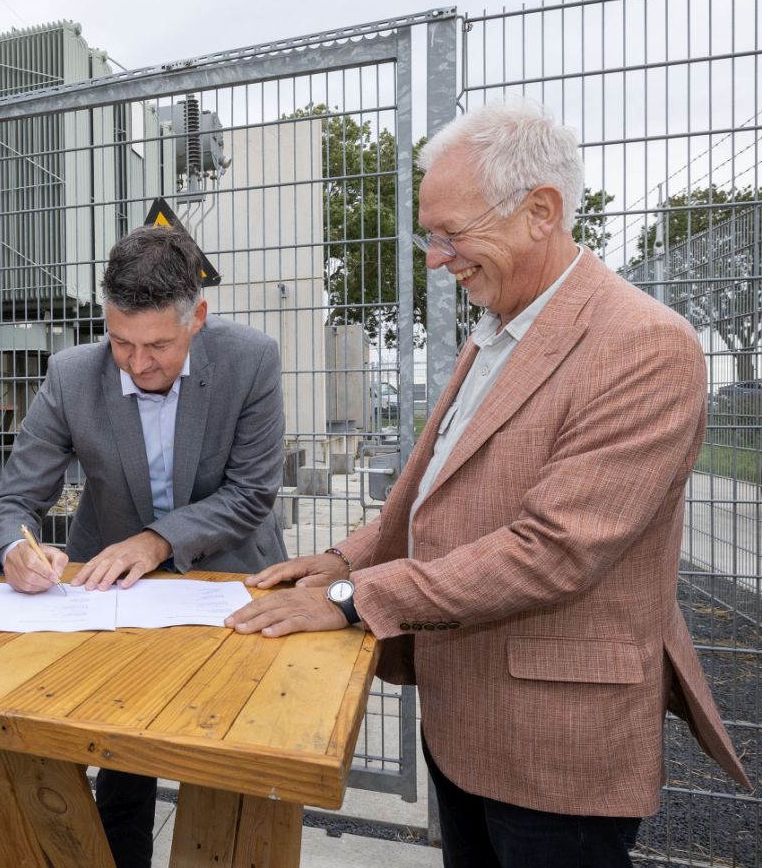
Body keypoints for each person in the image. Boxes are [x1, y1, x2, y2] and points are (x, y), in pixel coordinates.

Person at [227, 100, 751, 867]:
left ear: (540, 211)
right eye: (429, 236)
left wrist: (350, 602)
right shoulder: (501, 328)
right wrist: (342, 559)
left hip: (553, 754)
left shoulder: (642, 345)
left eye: (451, 234)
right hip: (464, 720)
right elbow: (444, 493)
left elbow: (552, 549)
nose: (436, 259)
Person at [0, 223, 287, 868]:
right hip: (111, 596)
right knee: (118, 759)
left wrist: (156, 542)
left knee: (227, 765)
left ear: (198, 317)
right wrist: (16, 549)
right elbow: (16, 500)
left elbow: (252, 494)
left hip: (230, 583)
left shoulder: (251, 359)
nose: (139, 363)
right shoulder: (71, 375)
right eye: (121, 341)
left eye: (158, 345)